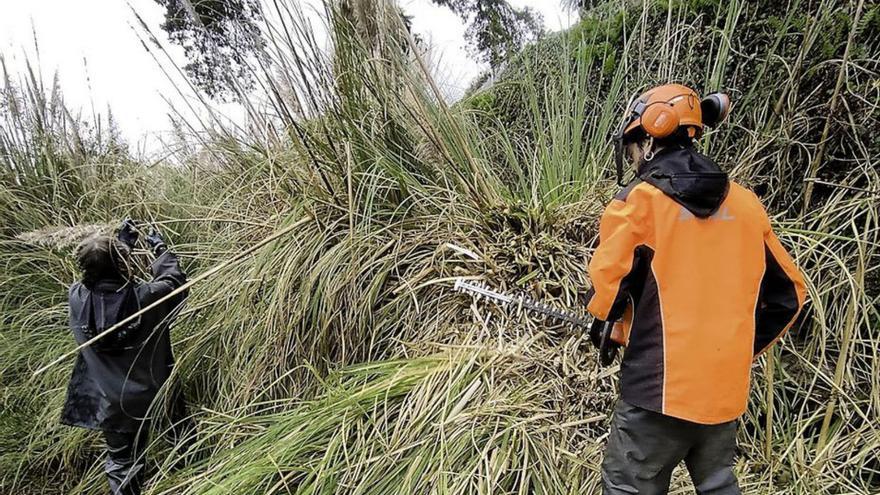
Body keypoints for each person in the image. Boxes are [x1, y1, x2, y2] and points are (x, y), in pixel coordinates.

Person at [586, 84, 807, 494]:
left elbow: (607, 292)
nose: (633, 159)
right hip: (723, 396)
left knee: (629, 487)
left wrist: (605, 324)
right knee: (719, 485)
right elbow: (790, 294)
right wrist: (738, 350)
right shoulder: (746, 205)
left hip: (656, 396)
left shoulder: (638, 203)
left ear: (650, 137)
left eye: (632, 148)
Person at [60, 220, 192, 495]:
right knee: (182, 440)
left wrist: (121, 249)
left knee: (123, 464)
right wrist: (160, 251)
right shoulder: (148, 298)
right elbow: (175, 284)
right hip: (158, 391)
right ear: (121, 263)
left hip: (112, 404)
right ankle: (195, 482)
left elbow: (103, 291)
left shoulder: (76, 298)